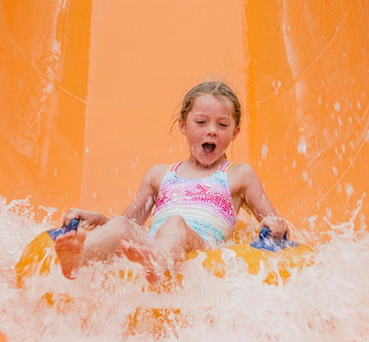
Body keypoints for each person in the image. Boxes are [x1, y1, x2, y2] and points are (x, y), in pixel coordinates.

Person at [54, 81, 289, 283]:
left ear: (235, 132)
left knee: (175, 223)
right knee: (120, 226)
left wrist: (276, 226)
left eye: (222, 125)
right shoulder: (159, 174)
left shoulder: (239, 175)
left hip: (201, 247)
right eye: (201, 122)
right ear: (183, 125)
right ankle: (77, 257)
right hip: (154, 243)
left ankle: (157, 261)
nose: (212, 131)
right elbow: (130, 224)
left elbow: (272, 222)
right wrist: (98, 220)